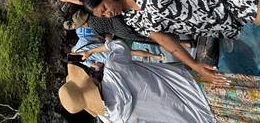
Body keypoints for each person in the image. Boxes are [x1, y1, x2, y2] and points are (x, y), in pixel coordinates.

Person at [82, 0, 260, 83]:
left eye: (104, 8)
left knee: (256, 12)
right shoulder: (131, 20)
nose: (108, 14)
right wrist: (193, 65)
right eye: (103, 15)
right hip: (214, 22)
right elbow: (163, 39)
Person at [59, 41, 260, 122]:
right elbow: (118, 44)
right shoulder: (114, 69)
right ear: (89, 80)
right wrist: (94, 50)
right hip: (197, 88)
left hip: (198, 119)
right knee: (254, 94)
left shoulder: (113, 119)